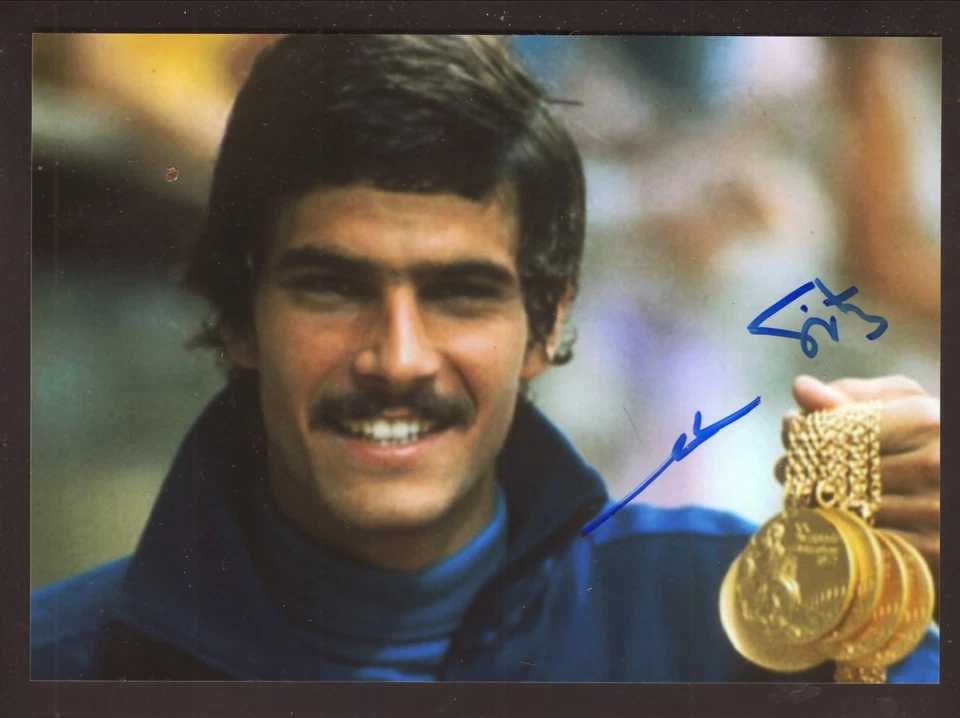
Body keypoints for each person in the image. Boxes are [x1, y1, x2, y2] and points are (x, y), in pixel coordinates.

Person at [30, 34, 940, 682]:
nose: (399, 357)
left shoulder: (735, 615)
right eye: (333, 288)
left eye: (460, 293)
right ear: (237, 315)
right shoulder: (61, 665)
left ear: (546, 325)